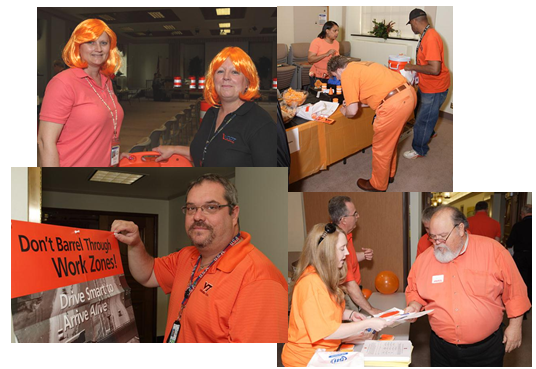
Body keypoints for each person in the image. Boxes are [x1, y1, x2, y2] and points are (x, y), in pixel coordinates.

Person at [111, 174, 287, 343]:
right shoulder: (187, 256)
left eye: (211, 207)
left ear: (234, 214)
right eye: (191, 208)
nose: (197, 216)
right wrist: (135, 244)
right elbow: (147, 274)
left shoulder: (259, 279)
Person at [405, 205, 531, 366]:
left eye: (443, 236)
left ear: (460, 228)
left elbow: (516, 291)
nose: (437, 242)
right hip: (442, 348)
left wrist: (515, 326)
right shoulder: (425, 259)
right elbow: (415, 290)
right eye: (433, 237)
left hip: (487, 348)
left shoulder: (493, 251)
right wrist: (414, 305)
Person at [282, 223, 391, 367]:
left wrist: (350, 315)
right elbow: (327, 331)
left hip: (321, 354)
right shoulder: (311, 283)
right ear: (326, 252)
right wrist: (367, 323)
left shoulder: (321, 276)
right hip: (304, 361)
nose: (347, 253)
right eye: (342, 248)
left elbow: (325, 310)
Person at [153, 46, 276, 167]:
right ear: (213, 80)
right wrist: (174, 149)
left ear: (248, 82)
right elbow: (206, 151)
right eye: (220, 71)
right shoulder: (211, 113)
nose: (226, 77)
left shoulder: (261, 124)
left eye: (235, 72)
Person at [38, 19, 123, 167]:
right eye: (90, 42)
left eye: (103, 43)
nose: (98, 48)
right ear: (78, 46)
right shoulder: (63, 82)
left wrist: (114, 158)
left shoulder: (106, 81)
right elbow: (45, 142)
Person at [327, 56, 417, 192]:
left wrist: (343, 110)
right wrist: (356, 103)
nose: (338, 79)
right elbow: (374, 92)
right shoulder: (363, 64)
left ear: (338, 69)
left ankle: (378, 184)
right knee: (390, 142)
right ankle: (389, 175)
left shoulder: (346, 75)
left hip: (393, 105)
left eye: (335, 76)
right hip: (408, 95)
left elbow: (352, 111)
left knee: (381, 148)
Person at [402, 8, 451, 160]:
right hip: (428, 84)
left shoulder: (430, 37)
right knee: (421, 111)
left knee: (423, 119)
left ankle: (419, 149)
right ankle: (429, 132)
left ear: (415, 21)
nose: (411, 28)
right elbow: (427, 62)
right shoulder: (426, 35)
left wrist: (412, 67)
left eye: (410, 24)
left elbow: (435, 69)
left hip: (434, 86)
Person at [328, 196, 381, 315]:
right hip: (346, 296)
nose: (358, 216)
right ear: (344, 220)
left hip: (352, 293)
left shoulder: (344, 235)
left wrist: (362, 255)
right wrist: (372, 310)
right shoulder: (336, 241)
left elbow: (348, 259)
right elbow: (350, 284)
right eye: (354, 214)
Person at [506, 204, 532, 312]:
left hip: (520, 256)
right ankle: (531, 303)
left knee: (521, 282)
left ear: (522, 214)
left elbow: (509, 243)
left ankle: (523, 308)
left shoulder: (518, 226)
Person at [308, 21, 340, 87]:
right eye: (334, 31)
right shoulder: (317, 42)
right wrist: (326, 54)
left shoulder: (336, 43)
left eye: (338, 31)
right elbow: (310, 60)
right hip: (318, 76)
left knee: (330, 95)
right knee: (319, 96)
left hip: (331, 75)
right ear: (327, 31)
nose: (337, 33)